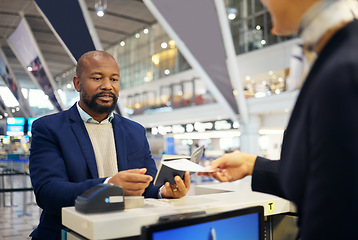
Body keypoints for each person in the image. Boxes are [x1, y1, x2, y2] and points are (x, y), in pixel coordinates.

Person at [201, 0, 358, 239]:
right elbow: (325, 175)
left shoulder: (343, 72)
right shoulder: (338, 56)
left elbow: (336, 218)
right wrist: (252, 165)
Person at [29, 50, 190, 240]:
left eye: (114, 79)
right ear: (77, 83)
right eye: (97, 78)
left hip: (125, 232)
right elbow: (48, 193)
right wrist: (108, 185)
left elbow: (147, 185)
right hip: (70, 233)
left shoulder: (135, 131)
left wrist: (164, 191)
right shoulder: (49, 128)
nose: (107, 86)